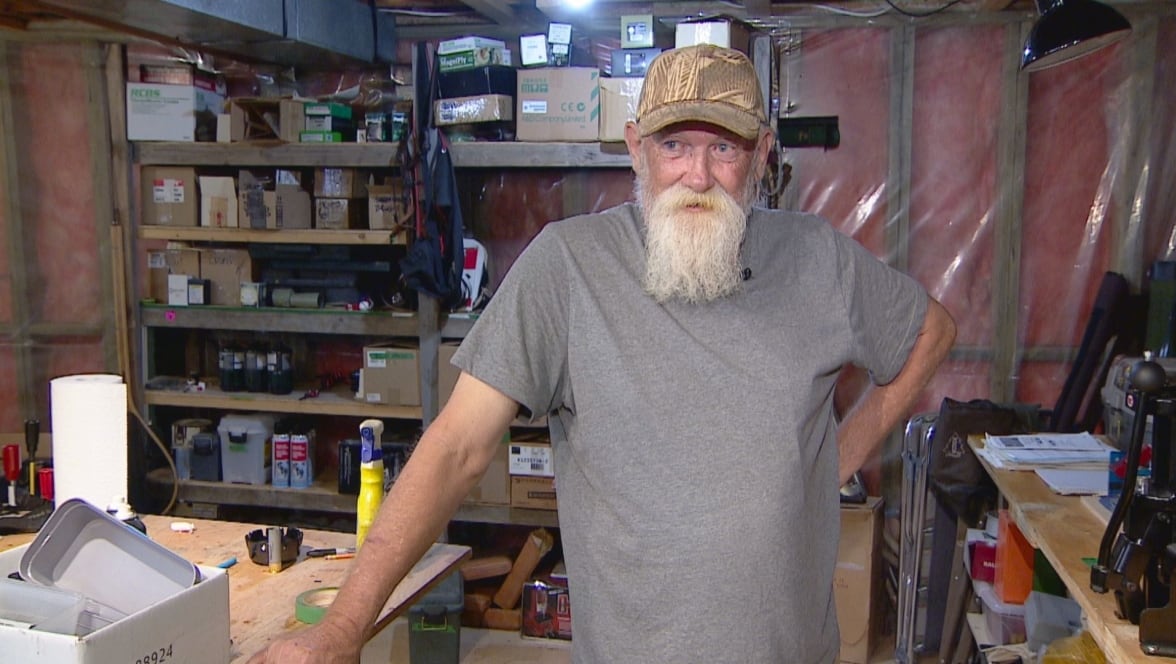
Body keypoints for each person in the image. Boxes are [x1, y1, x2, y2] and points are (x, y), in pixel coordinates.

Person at [249, 44, 956, 664]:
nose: (698, 176)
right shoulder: (568, 267)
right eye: (675, 146)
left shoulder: (818, 260)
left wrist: (842, 453)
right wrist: (342, 627)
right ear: (635, 148)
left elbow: (932, 330)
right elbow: (456, 447)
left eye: (725, 149)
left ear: (763, 155)